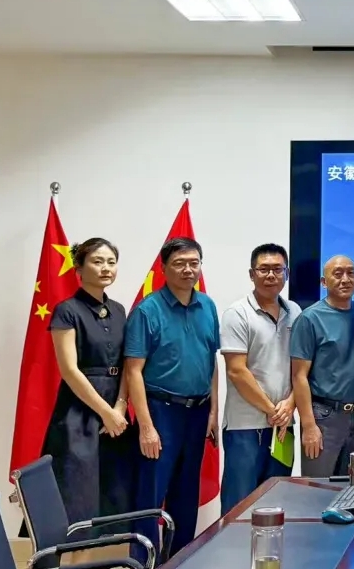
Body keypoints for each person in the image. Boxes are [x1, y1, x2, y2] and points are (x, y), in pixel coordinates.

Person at [125, 237, 220, 563]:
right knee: (151, 495)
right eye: (179, 263)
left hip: (198, 412)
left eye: (194, 263)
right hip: (160, 412)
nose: (188, 270)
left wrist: (213, 411)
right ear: (164, 268)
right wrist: (146, 426)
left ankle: (180, 559)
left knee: (186, 494)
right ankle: (142, 562)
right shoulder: (147, 311)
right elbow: (133, 371)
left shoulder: (207, 306)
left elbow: (211, 362)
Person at [38, 238, 135, 541]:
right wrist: (106, 412)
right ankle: (70, 558)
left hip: (117, 412)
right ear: (79, 268)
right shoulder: (67, 311)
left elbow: (128, 363)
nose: (106, 268)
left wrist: (120, 407)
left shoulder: (119, 310)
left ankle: (112, 559)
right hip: (79, 411)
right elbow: (69, 370)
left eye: (111, 262)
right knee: (77, 494)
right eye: (97, 261)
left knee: (116, 493)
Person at [219, 244, 302, 515]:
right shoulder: (237, 313)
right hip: (245, 427)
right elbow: (237, 371)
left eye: (277, 269)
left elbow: (301, 369)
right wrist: (272, 409)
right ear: (251, 274)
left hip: (283, 427)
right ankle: (231, 547)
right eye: (264, 269)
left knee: (277, 504)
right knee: (239, 506)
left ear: (287, 274)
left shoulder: (295, 312)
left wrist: (291, 404)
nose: (270, 275)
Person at [290, 255, 354, 477]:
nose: (345, 279)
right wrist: (309, 426)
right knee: (318, 487)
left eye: (350, 273)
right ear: (324, 282)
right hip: (323, 417)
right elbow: (299, 377)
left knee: (353, 488)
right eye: (338, 274)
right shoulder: (310, 318)